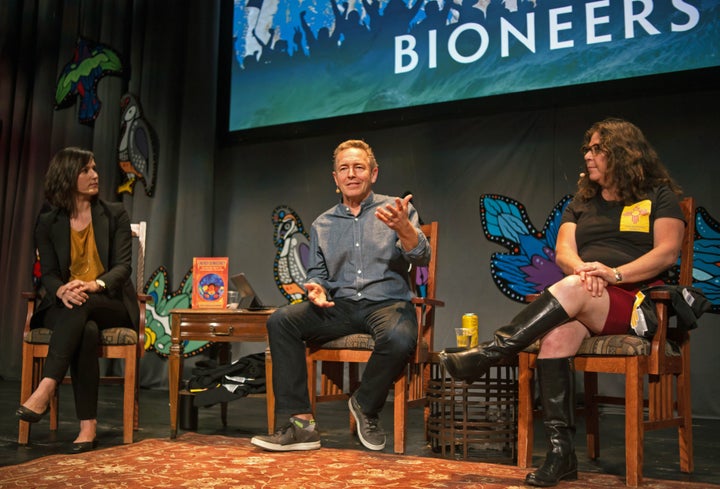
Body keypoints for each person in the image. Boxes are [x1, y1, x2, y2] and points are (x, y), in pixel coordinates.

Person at [440, 118, 685, 487]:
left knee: (575, 288)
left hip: (636, 300)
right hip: (589, 293)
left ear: (623, 152)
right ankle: (561, 454)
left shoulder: (658, 194)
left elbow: (667, 253)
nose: (588, 155)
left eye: (597, 148)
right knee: (554, 341)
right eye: (587, 148)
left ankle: (491, 352)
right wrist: (586, 271)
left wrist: (613, 274)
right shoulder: (582, 201)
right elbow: (563, 251)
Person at [251, 139, 430, 452]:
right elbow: (318, 272)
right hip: (341, 305)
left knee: (400, 337)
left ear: (373, 174)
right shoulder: (323, 223)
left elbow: (421, 256)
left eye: (359, 167)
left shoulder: (397, 210)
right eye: (344, 169)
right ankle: (302, 426)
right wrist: (316, 286)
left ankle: (364, 404)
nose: (351, 174)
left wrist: (404, 229)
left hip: (387, 303)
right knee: (281, 321)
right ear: (335, 178)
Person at [16, 147, 139, 454]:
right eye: (86, 170)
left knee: (83, 303)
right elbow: (50, 274)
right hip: (65, 305)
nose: (95, 175)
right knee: (85, 330)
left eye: (95, 168)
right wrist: (60, 290)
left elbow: (123, 268)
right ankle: (88, 427)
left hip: (108, 302)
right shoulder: (47, 222)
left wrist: (94, 284)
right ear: (67, 176)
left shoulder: (115, 213)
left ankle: (45, 387)